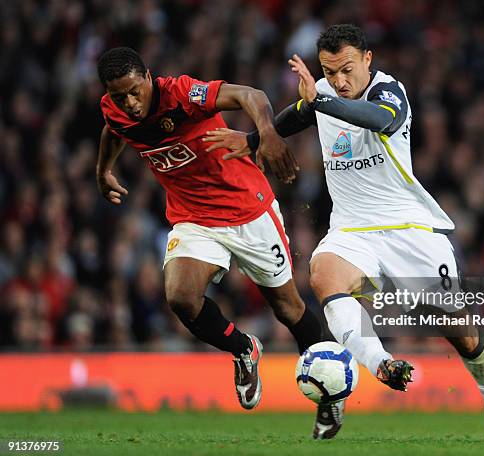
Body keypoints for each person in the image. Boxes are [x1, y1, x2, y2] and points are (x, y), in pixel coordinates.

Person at [204, 24, 484, 442]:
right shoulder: (323, 91)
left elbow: (378, 120)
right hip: (352, 229)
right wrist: (252, 138)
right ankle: (381, 364)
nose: (338, 80)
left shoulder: (390, 93)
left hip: (410, 229)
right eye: (329, 71)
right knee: (322, 273)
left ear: (368, 60)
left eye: (347, 69)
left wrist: (322, 100)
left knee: (459, 331)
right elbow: (300, 114)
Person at [95, 47, 322, 411]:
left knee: (288, 309)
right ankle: (244, 349)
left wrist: (266, 133)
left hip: (248, 210)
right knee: (180, 296)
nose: (130, 103)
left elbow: (251, 95)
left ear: (149, 77)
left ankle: (327, 387)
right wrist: (104, 169)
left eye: (135, 91)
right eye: (119, 95)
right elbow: (114, 129)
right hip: (193, 218)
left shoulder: (182, 95)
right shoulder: (114, 108)